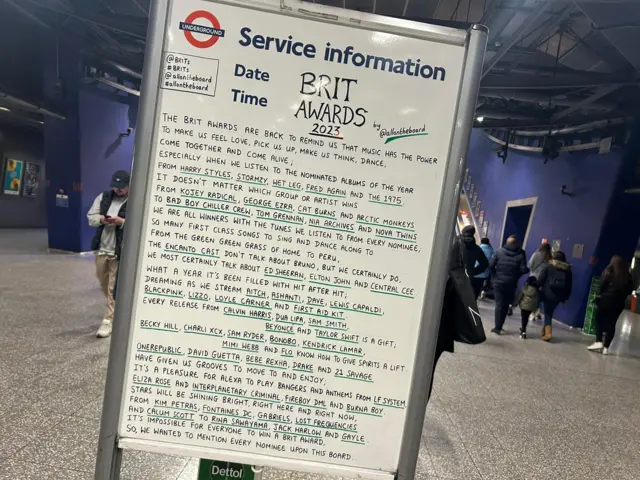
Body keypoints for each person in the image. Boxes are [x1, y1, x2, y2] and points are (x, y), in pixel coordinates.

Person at [87, 170, 129, 338]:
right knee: (104, 285)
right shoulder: (104, 197)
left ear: (129, 185)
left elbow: (141, 221)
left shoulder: (135, 200)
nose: (117, 190)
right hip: (102, 249)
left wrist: (122, 222)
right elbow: (91, 217)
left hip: (119, 251)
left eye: (121, 187)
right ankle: (118, 310)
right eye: (115, 186)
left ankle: (108, 321)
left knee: (112, 289)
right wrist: (103, 220)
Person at [588, 256, 633, 355]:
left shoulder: (608, 272)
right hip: (619, 303)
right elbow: (629, 291)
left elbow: (601, 286)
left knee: (598, 319)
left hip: (605, 300)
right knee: (612, 324)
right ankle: (606, 348)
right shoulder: (627, 277)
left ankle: (598, 341)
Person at [489, 235, 529, 334]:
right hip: (511, 283)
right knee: (506, 304)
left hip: (498, 282)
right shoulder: (521, 253)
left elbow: (491, 266)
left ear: (507, 242)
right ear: (516, 243)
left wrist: (494, 278)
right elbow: (524, 269)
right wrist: (516, 276)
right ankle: (501, 324)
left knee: (499, 304)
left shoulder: (499, 251)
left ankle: (497, 327)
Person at [537, 251, 572, 341]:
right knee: (550, 311)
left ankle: (548, 333)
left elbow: (540, 280)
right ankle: (544, 331)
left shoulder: (548, 267)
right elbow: (569, 286)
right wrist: (565, 297)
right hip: (558, 296)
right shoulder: (567, 270)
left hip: (547, 294)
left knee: (548, 313)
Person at [458, 226, 489, 299]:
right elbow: (485, 263)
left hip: (453, 276)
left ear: (463, 232)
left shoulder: (456, 243)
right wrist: (472, 272)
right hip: (468, 278)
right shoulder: (476, 248)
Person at [528, 243, 552, 321]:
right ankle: (537, 311)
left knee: (532, 296)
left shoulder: (536, 254)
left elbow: (529, 265)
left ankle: (532, 313)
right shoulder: (550, 257)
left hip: (534, 278)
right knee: (539, 296)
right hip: (544, 280)